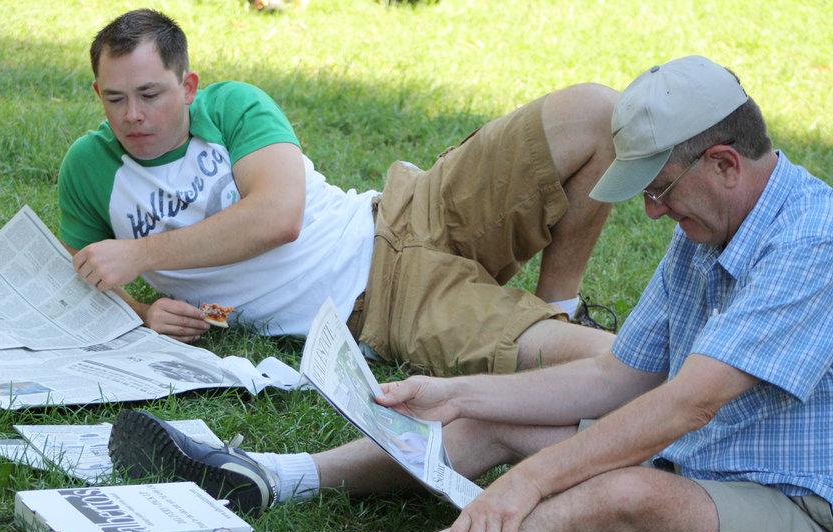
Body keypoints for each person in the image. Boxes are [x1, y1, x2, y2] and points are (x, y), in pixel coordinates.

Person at [109, 55, 833, 532]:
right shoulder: (708, 229)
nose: (651, 212)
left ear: (724, 164)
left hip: (799, 509)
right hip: (702, 458)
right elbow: (622, 377)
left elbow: (685, 404)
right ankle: (275, 476)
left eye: (660, 190)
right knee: (494, 412)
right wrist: (458, 391)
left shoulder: (813, 241)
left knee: (625, 497)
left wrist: (530, 484)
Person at [57, 8, 619, 377]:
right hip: (379, 309)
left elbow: (278, 216)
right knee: (589, 362)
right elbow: (75, 283)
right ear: (97, 93)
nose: (132, 115)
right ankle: (602, 352)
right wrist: (141, 312)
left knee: (599, 112)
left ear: (187, 86)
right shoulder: (88, 170)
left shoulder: (231, 107)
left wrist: (141, 254)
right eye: (114, 98)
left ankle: (562, 307)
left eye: (150, 94)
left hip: (407, 211)